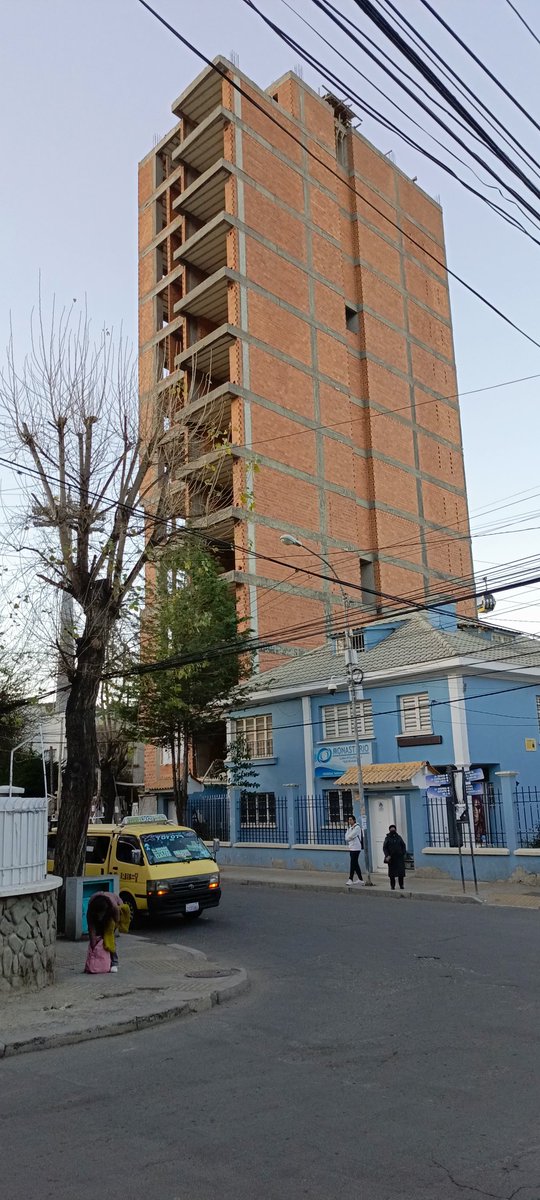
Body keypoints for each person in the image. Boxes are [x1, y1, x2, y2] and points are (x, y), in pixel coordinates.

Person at [383, 824, 407, 891]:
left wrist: (403, 853)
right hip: (391, 858)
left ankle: (401, 885)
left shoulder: (399, 837)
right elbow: (385, 848)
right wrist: (387, 855)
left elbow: (403, 845)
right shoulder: (387, 838)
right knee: (392, 874)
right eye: (391, 829)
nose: (393, 830)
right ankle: (392, 886)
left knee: (401, 873)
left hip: (399, 857)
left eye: (394, 829)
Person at [345, 814, 365, 886]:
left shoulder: (357, 827)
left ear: (354, 820)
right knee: (355, 863)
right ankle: (361, 879)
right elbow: (346, 838)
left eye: (351, 820)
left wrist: (349, 837)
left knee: (352, 863)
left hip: (356, 848)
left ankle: (350, 879)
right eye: (349, 820)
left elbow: (350, 836)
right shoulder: (349, 828)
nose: (349, 821)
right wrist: (349, 837)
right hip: (351, 847)